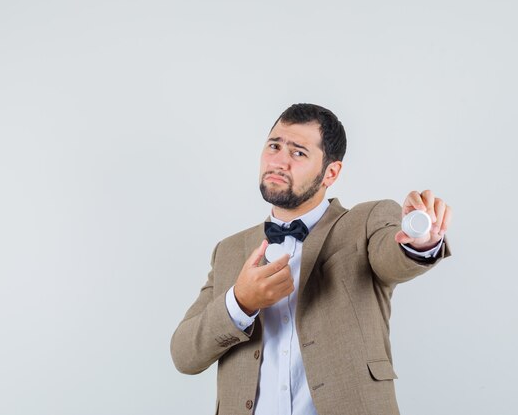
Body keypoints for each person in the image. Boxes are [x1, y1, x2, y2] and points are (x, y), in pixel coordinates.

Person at [170, 103, 452, 415]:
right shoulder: (230, 250)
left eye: (298, 153)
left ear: (330, 172)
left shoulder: (366, 221)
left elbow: (392, 257)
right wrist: (240, 302)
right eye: (274, 146)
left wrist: (420, 241)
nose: (279, 161)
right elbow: (184, 355)